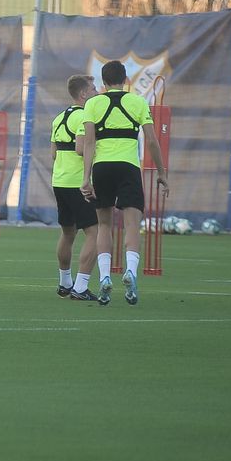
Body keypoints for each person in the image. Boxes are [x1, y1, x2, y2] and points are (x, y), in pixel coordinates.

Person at [80, 60, 169, 307]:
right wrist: (161, 172)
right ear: (126, 80)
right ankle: (130, 272)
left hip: (102, 167)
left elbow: (88, 143)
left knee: (104, 225)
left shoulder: (93, 103)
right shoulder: (138, 102)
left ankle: (106, 277)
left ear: (103, 82)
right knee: (131, 224)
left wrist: (85, 178)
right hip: (129, 167)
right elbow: (151, 140)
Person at [49, 73, 99, 301]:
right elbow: (81, 148)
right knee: (94, 232)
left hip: (59, 180)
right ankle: (80, 286)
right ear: (83, 94)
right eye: (93, 89)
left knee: (68, 233)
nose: (97, 92)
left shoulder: (58, 117)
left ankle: (64, 283)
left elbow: (53, 153)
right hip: (77, 182)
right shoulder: (83, 116)